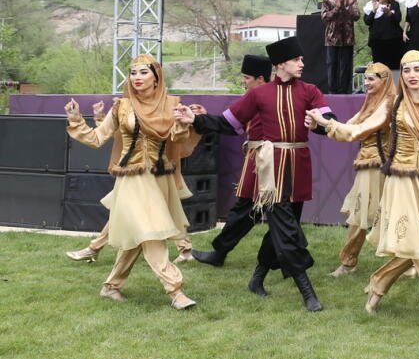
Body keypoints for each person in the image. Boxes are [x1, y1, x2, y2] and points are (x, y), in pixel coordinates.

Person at [309, 50, 419, 327]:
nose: (412, 75)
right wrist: (326, 125)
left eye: (417, 69)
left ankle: (377, 287)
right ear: (400, 76)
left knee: (416, 245)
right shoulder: (394, 104)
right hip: (401, 181)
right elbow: (358, 129)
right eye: (406, 70)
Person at [177, 36, 328, 312]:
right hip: (270, 172)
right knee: (285, 229)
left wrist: (317, 124)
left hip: (298, 167)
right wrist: (195, 119)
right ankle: (307, 291)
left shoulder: (310, 91)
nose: (302, 63)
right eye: (297, 59)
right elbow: (227, 122)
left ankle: (257, 277)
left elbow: (329, 122)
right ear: (281, 63)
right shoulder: (259, 94)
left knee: (283, 228)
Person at [64, 55, 198, 309]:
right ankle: (175, 291)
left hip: (160, 178)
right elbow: (96, 138)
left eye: (143, 72)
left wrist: (182, 122)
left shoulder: (170, 105)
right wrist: (75, 119)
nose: (136, 77)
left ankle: (111, 286)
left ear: (156, 76)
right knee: (151, 233)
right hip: (132, 180)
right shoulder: (121, 107)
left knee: (138, 235)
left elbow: (177, 140)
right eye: (133, 73)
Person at [327, 63, 396, 277]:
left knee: (380, 215)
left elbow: (358, 130)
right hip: (367, 164)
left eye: (371, 79)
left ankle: (402, 263)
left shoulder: (388, 104)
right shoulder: (371, 102)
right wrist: (325, 125)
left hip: (380, 165)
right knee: (362, 215)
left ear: (383, 81)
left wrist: (325, 123)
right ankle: (349, 262)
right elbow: (350, 124)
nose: (366, 83)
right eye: (365, 79)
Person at [320, 0, 359, 94]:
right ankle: (332, 92)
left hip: (347, 39)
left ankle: (343, 92)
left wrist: (344, 8)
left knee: (345, 66)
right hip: (331, 39)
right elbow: (324, 17)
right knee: (332, 65)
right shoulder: (327, 0)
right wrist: (336, 8)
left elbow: (356, 16)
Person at [363, 0, 402, 69]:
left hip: (394, 42)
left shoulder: (394, 4)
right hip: (377, 43)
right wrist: (374, 10)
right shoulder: (370, 5)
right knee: (379, 69)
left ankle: (394, 82)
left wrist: (389, 13)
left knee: (394, 68)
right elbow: (367, 21)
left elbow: (398, 19)